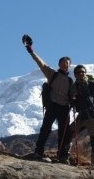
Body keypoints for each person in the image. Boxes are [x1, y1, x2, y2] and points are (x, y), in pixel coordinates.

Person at [22, 34, 73, 162]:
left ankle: (62, 155)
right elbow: (41, 63)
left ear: (70, 65)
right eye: (63, 63)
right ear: (59, 64)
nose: (65, 65)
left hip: (65, 108)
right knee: (45, 129)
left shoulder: (71, 81)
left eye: (67, 63)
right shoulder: (52, 74)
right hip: (53, 105)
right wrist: (31, 50)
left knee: (64, 132)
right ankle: (38, 152)